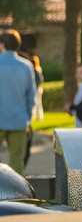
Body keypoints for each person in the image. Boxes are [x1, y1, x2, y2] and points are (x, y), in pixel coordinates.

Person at [0, 29, 36, 177]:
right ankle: (16, 197)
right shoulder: (27, 66)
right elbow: (31, 97)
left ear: (2, 45)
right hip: (19, 120)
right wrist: (27, 118)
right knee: (16, 164)